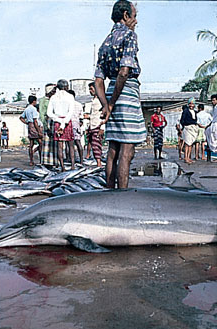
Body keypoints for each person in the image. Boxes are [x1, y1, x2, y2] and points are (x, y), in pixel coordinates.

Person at [94, 0, 146, 188]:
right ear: (125, 15)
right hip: (125, 92)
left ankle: (110, 192)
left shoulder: (105, 42)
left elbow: (98, 80)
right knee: (127, 150)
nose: (136, 20)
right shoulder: (130, 35)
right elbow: (124, 71)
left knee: (113, 149)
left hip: (110, 91)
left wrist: (106, 104)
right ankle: (122, 199)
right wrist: (113, 103)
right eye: (134, 15)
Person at [47, 79, 75, 171]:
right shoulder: (70, 96)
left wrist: (59, 121)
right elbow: (71, 112)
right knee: (70, 145)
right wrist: (64, 123)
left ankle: (62, 167)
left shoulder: (53, 97)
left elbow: (49, 113)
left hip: (57, 122)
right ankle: (72, 165)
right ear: (66, 87)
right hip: (67, 122)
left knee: (60, 146)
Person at [20, 95, 42, 166]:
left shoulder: (26, 109)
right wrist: (39, 131)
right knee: (41, 143)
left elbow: (21, 117)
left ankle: (31, 160)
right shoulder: (33, 109)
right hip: (34, 126)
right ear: (34, 101)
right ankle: (41, 159)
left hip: (29, 125)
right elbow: (35, 121)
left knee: (31, 143)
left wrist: (27, 123)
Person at [86, 81, 104, 167]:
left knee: (96, 145)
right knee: (92, 144)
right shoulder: (93, 100)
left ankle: (99, 164)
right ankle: (96, 161)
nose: (90, 91)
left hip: (98, 125)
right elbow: (94, 114)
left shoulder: (101, 100)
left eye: (91, 89)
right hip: (92, 125)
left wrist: (102, 128)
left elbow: (104, 114)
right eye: (89, 89)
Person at [39, 84, 57, 166]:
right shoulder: (43, 100)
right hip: (47, 122)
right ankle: (46, 162)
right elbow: (42, 114)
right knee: (46, 143)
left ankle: (54, 162)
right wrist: (46, 127)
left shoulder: (55, 99)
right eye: (53, 91)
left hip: (55, 121)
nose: (54, 92)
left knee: (54, 144)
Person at [205, 94, 217, 162]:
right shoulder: (214, 107)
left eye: (214, 100)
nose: (213, 101)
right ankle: (213, 154)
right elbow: (214, 118)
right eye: (212, 100)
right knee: (211, 138)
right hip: (214, 124)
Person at [68, 89, 84, 165]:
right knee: (78, 142)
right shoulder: (79, 104)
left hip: (69, 123)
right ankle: (81, 160)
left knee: (69, 144)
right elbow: (81, 118)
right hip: (76, 124)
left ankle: (71, 161)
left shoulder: (67, 105)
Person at [181, 98, 199, 164]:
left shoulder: (195, 112)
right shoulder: (185, 111)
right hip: (187, 128)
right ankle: (186, 158)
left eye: (192, 104)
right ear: (188, 104)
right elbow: (182, 120)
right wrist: (185, 126)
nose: (191, 105)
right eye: (190, 104)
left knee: (190, 144)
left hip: (193, 129)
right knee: (187, 143)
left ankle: (188, 157)